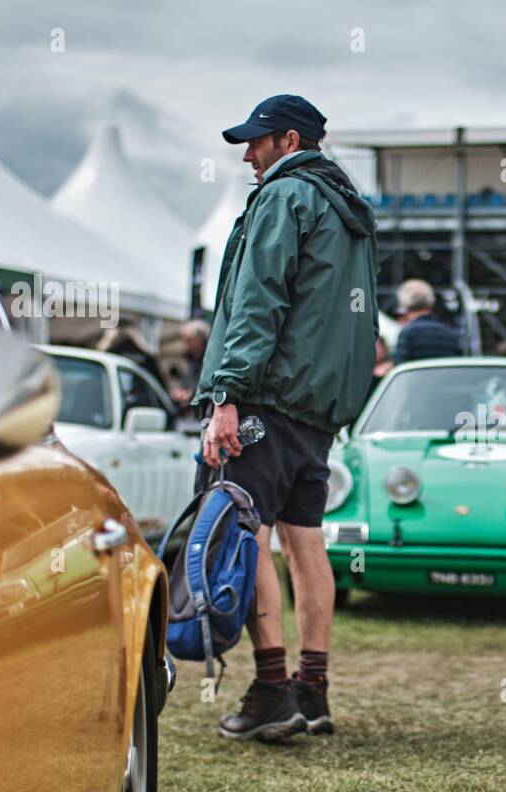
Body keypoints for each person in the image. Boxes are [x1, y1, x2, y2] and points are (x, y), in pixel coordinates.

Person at [193, 93, 378, 741]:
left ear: (289, 141)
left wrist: (227, 394)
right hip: (318, 411)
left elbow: (258, 301)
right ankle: (313, 690)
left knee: (252, 538)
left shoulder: (284, 198)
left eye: (256, 142)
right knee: (307, 541)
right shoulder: (347, 210)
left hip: (267, 402)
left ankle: (273, 690)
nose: (247, 154)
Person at [391, 278, 462, 364]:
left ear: (404, 303)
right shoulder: (449, 333)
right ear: (431, 301)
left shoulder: (408, 333)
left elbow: (400, 366)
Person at [170, 319, 210, 413]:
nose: (185, 343)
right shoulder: (191, 360)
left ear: (200, 340)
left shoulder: (208, 361)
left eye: (189, 339)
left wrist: (190, 394)